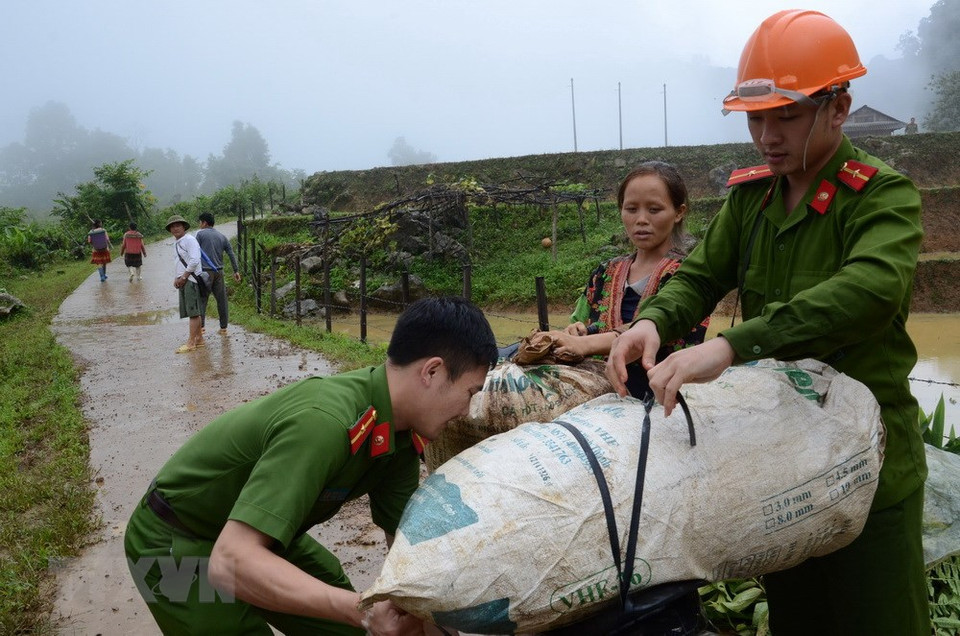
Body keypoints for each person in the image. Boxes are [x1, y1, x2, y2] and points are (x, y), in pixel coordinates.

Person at [605, 10, 929, 635]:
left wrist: (731, 346)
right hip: (784, 462)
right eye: (757, 117)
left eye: (787, 115)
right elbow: (700, 276)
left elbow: (867, 293)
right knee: (799, 616)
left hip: (871, 459)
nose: (767, 136)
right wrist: (652, 321)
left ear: (838, 107)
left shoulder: (881, 196)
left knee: (883, 619)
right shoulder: (752, 197)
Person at [124, 296, 498, 635]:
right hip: (175, 539)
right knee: (355, 614)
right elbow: (230, 562)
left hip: (260, 535)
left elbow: (407, 561)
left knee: (352, 628)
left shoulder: (400, 437)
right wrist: (362, 612)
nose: (466, 411)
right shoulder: (325, 421)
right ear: (431, 372)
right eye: (469, 393)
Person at [551, 161, 708, 363]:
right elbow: (578, 322)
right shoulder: (603, 273)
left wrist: (585, 344)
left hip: (660, 390)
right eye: (631, 209)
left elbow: (655, 330)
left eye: (654, 209)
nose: (641, 219)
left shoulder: (689, 276)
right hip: (598, 387)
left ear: (678, 212)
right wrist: (575, 331)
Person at [195, 212, 241, 334]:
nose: (199, 225)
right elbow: (231, 253)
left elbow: (194, 253)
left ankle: (202, 327)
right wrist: (236, 270)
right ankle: (223, 328)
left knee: (202, 299)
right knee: (222, 299)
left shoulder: (200, 235)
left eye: (200, 222)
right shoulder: (222, 236)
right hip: (219, 272)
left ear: (204, 222)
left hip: (205, 272)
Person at [166, 215, 205, 353]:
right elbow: (179, 262)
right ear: (170, 229)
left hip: (190, 280)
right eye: (172, 226)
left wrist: (183, 277)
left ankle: (191, 342)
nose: (175, 228)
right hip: (184, 279)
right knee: (193, 311)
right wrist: (177, 278)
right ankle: (199, 339)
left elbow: (195, 260)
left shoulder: (189, 240)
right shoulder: (178, 242)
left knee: (193, 312)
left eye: (178, 225)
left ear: (184, 227)